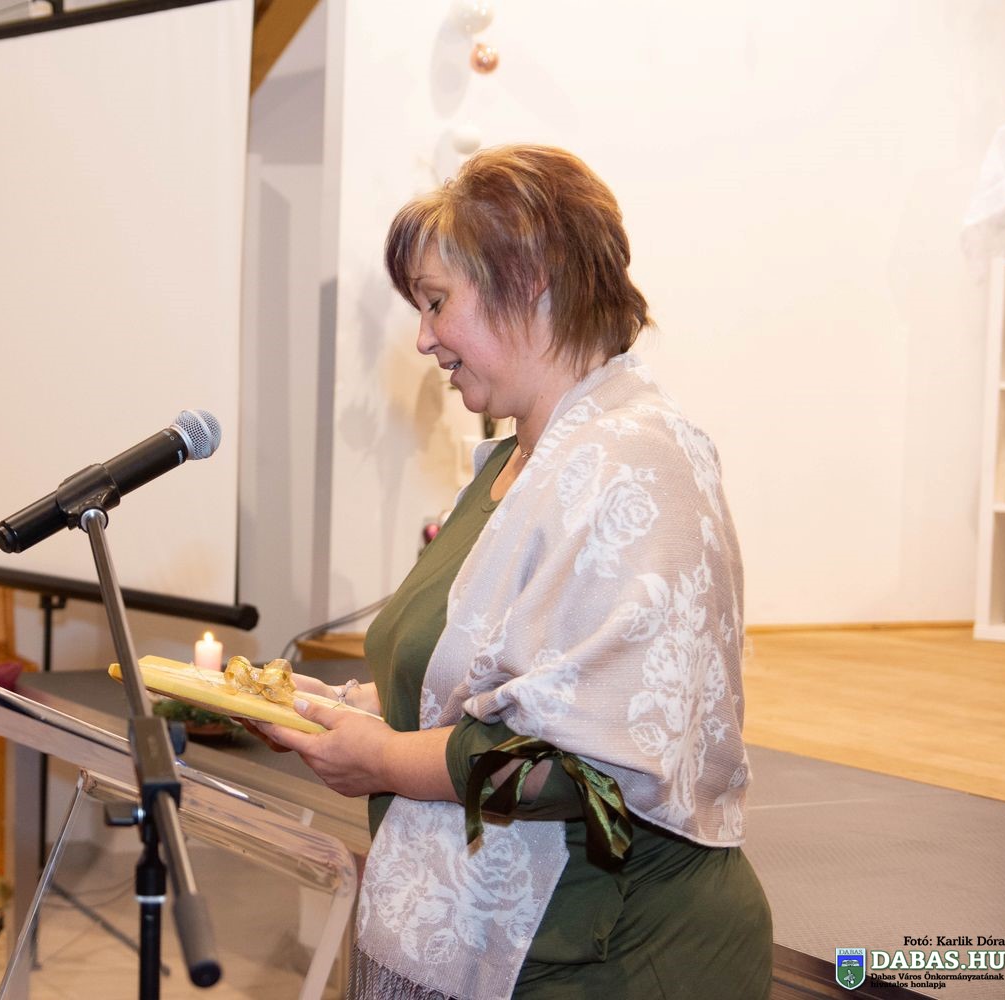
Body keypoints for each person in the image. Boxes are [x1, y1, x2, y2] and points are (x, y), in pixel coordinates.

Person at [258, 147, 772, 999]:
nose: (423, 337)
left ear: (530, 280)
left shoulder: (637, 463)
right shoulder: (514, 465)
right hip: (526, 940)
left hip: (616, 952)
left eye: (436, 302)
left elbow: (583, 766)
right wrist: (355, 711)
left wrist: (385, 759)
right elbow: (484, 687)